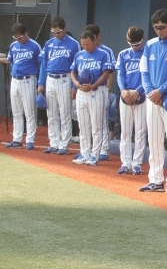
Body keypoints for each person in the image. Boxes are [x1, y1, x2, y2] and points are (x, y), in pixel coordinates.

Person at [138, 9, 167, 194]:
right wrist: (150, 92)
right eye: (156, 27)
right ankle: (155, 179)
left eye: (162, 27)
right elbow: (144, 71)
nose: (159, 31)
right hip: (153, 99)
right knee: (154, 141)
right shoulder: (149, 44)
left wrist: (161, 91)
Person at [38, 17, 80, 155]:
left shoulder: (73, 44)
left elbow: (77, 67)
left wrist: (74, 87)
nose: (56, 35)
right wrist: (40, 83)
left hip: (65, 79)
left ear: (65, 29)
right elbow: (44, 65)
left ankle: (64, 144)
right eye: (54, 32)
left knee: (65, 113)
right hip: (50, 79)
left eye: (59, 32)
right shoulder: (49, 44)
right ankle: (54, 143)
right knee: (51, 113)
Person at [70, 30, 113, 165]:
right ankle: (84, 153)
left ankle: (95, 154)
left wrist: (93, 85)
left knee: (97, 125)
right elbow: (73, 71)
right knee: (83, 125)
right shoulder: (79, 55)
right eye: (83, 44)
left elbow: (106, 74)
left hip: (96, 91)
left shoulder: (103, 54)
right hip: (82, 92)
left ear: (95, 40)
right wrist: (76, 84)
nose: (85, 46)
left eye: (87, 44)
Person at [2, 23, 41, 150]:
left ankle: (30, 140)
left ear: (26, 33)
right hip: (15, 80)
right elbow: (10, 60)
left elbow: (41, 64)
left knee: (29, 112)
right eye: (16, 37)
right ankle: (17, 139)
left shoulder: (34, 46)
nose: (18, 40)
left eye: (20, 37)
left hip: (28, 79)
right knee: (16, 112)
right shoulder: (13, 46)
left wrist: (40, 83)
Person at [115, 26, 147, 175]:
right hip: (126, 95)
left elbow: (148, 76)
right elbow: (120, 74)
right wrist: (123, 90)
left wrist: (138, 91)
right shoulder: (123, 54)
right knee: (125, 131)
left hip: (141, 95)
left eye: (137, 44)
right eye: (131, 44)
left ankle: (137, 163)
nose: (134, 47)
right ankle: (125, 162)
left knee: (140, 131)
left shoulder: (147, 52)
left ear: (142, 40)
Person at [83, 24, 116, 161]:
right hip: (86, 90)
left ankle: (103, 149)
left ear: (98, 36)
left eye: (93, 38)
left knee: (101, 121)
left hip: (101, 89)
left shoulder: (106, 51)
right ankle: (89, 150)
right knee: (89, 122)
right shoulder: (86, 50)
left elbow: (110, 72)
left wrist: (107, 90)